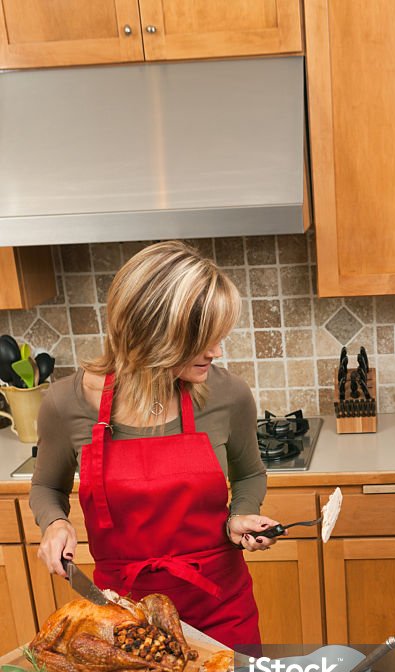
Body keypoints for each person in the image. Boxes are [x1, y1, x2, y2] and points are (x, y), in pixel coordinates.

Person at [30, 240, 281, 648]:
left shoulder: (228, 395)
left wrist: (243, 515)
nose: (216, 351)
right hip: (124, 613)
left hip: (222, 609)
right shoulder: (65, 403)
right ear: (152, 333)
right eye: (200, 339)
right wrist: (55, 524)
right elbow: (46, 487)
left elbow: (250, 472)